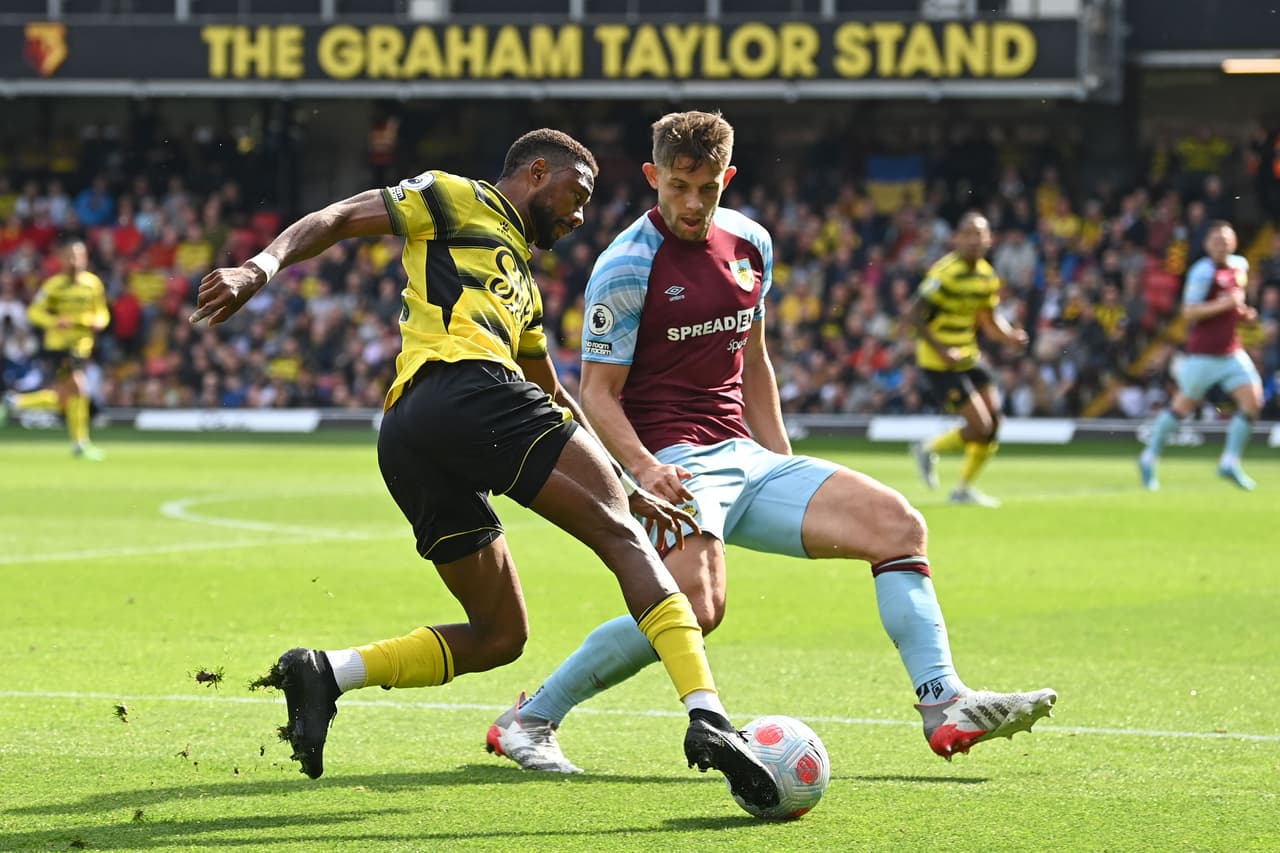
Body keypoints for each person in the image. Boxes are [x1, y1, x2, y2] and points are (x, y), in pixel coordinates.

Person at [186, 128, 780, 811]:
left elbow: (552, 395)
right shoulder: (456, 197)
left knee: (501, 635)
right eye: (578, 194)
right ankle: (707, 714)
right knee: (623, 539)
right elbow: (340, 216)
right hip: (465, 387)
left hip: (413, 436)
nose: (580, 214)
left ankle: (327, 672)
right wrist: (258, 268)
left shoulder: (522, 285)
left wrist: (625, 480)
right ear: (537, 172)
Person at [484, 112, 1056, 775]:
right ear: (652, 177)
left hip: (747, 457)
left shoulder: (751, 242)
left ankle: (944, 702)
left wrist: (783, 462)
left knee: (898, 525)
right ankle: (531, 717)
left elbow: (753, 359)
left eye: (707, 188)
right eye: (677, 187)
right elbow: (598, 393)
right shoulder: (625, 265)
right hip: (674, 463)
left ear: (727, 178)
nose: (692, 204)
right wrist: (641, 470)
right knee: (697, 608)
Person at [909, 212, 1029, 507]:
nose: (974, 240)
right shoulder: (945, 273)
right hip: (939, 362)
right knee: (980, 426)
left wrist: (1010, 337)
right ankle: (928, 448)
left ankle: (963, 489)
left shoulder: (987, 275)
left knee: (994, 424)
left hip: (967, 355)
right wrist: (942, 350)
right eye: (968, 234)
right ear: (957, 238)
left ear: (989, 239)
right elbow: (913, 315)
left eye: (980, 234)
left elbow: (989, 320)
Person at [1139, 221, 1261, 491]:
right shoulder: (1202, 272)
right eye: (1216, 241)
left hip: (1231, 351)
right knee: (1181, 408)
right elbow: (1189, 312)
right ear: (1207, 245)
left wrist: (1244, 314)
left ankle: (1230, 461)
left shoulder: (1239, 265)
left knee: (1253, 401)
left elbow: (1235, 304)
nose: (1221, 246)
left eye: (1225, 241)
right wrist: (1224, 304)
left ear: (1234, 243)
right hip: (1203, 354)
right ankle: (1148, 457)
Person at [1, 240, 109, 460]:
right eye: (70, 256)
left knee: (65, 397)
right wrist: (54, 321)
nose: (75, 261)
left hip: (82, 346)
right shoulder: (53, 286)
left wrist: (99, 320)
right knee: (79, 388)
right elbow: (34, 312)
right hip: (60, 346)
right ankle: (80, 444)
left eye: (79, 256)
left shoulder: (93, 284)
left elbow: (102, 312)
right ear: (62, 259)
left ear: (86, 259)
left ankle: (14, 402)